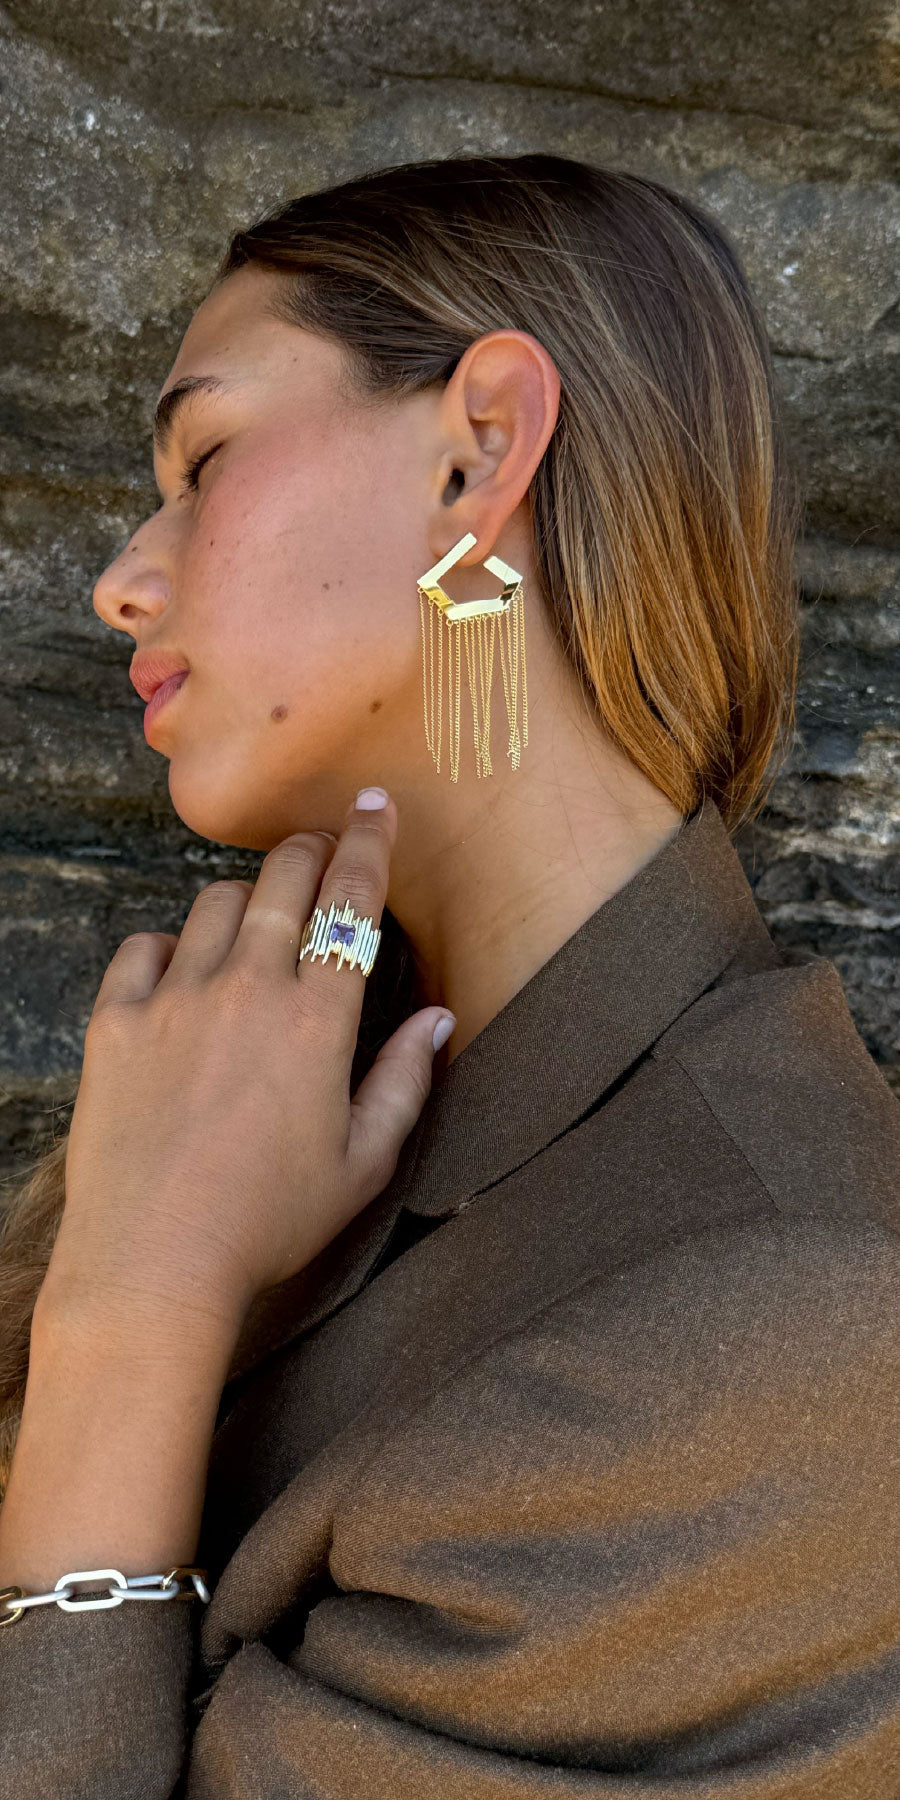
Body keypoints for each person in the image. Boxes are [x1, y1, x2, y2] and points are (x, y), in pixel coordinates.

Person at [0, 152, 896, 1798]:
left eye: (204, 457)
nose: (125, 572)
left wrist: (130, 1323)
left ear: (481, 448)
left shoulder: (787, 1329)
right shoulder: (240, 1099)